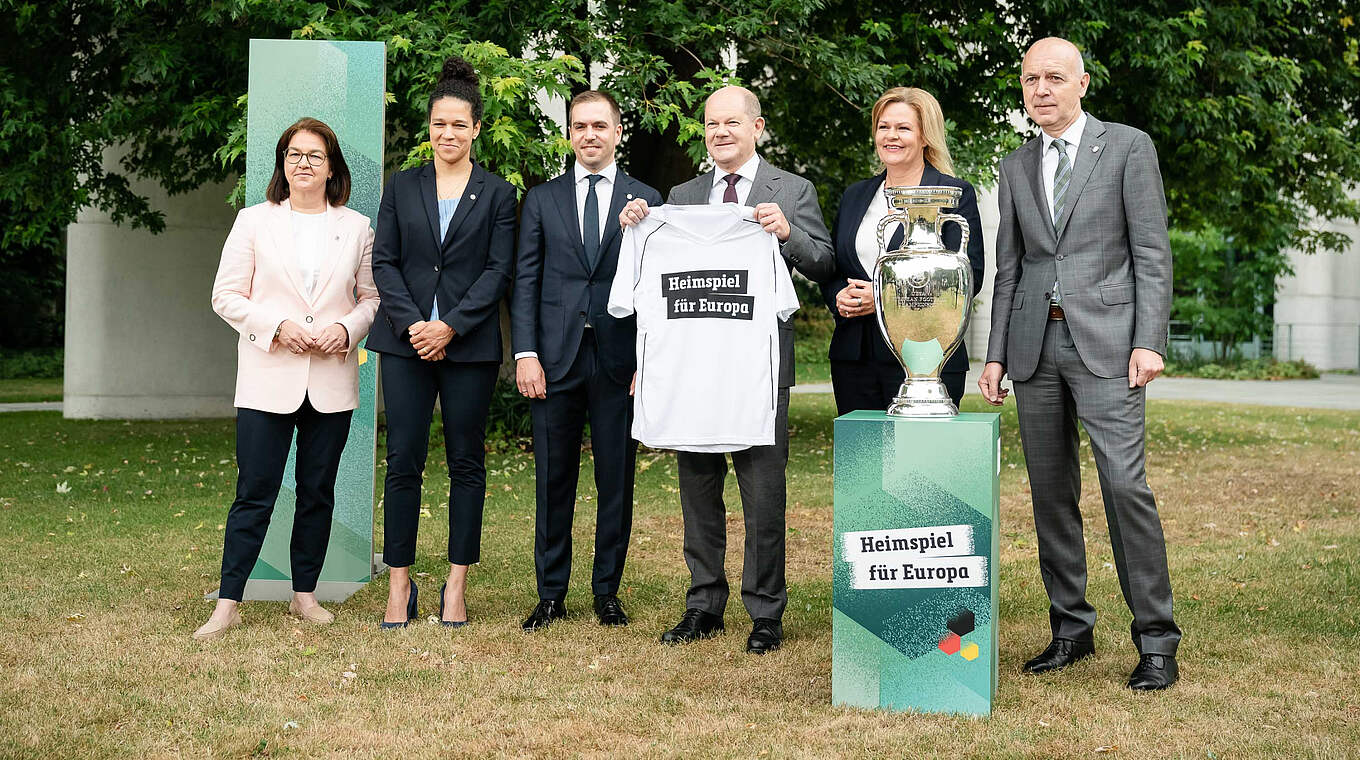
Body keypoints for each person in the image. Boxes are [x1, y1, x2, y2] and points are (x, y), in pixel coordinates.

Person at [978, 37, 1181, 690]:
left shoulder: (1127, 147)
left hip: (1110, 346)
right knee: (1051, 496)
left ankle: (1156, 640)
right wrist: (997, 354)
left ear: (1083, 84)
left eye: (1055, 78)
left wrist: (1149, 339)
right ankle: (1071, 629)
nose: (1041, 89)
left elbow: (1151, 250)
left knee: (1125, 488)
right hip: (1036, 349)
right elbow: (1010, 268)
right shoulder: (1014, 166)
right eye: (1031, 79)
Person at [619, 85, 834, 654]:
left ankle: (765, 612)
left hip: (758, 367)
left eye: (732, 123)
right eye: (712, 124)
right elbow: (662, 283)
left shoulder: (794, 189)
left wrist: (786, 232)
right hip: (694, 366)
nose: (720, 132)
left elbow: (824, 259)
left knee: (763, 493)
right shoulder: (682, 195)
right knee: (698, 488)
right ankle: (703, 604)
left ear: (756, 127)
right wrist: (643, 220)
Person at [197, 117, 378, 640]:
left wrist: (346, 330)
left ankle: (304, 594)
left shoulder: (357, 227)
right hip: (266, 379)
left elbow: (371, 299)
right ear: (282, 164)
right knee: (254, 491)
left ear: (331, 168)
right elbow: (226, 295)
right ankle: (228, 602)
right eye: (294, 154)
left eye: (314, 156)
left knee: (317, 492)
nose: (303, 163)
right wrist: (275, 328)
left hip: (331, 379)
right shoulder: (253, 222)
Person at [366, 56, 516, 629]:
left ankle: (456, 584)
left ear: (476, 128)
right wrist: (414, 327)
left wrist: (449, 325)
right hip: (406, 346)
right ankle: (399, 585)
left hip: (468, 346)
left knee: (466, 463)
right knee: (403, 461)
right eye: (438, 125)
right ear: (428, 129)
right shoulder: (401, 187)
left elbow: (497, 272)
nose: (447, 134)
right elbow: (386, 261)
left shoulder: (498, 194)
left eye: (459, 125)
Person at [511, 91, 663, 632]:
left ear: (618, 132)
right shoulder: (542, 199)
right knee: (553, 479)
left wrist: (650, 358)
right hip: (553, 359)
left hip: (620, 361)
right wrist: (525, 354)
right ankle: (551, 593)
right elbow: (525, 280)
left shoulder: (646, 199)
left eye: (600, 125)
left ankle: (607, 592)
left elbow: (655, 288)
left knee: (615, 480)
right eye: (580, 126)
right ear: (569, 134)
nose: (590, 135)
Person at [823, 87, 985, 413]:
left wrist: (882, 297)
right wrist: (838, 295)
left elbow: (968, 278)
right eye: (884, 127)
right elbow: (833, 265)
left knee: (921, 462)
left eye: (903, 128)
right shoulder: (856, 195)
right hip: (854, 357)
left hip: (925, 357)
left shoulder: (952, 194)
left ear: (925, 136)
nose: (891, 136)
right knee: (863, 461)